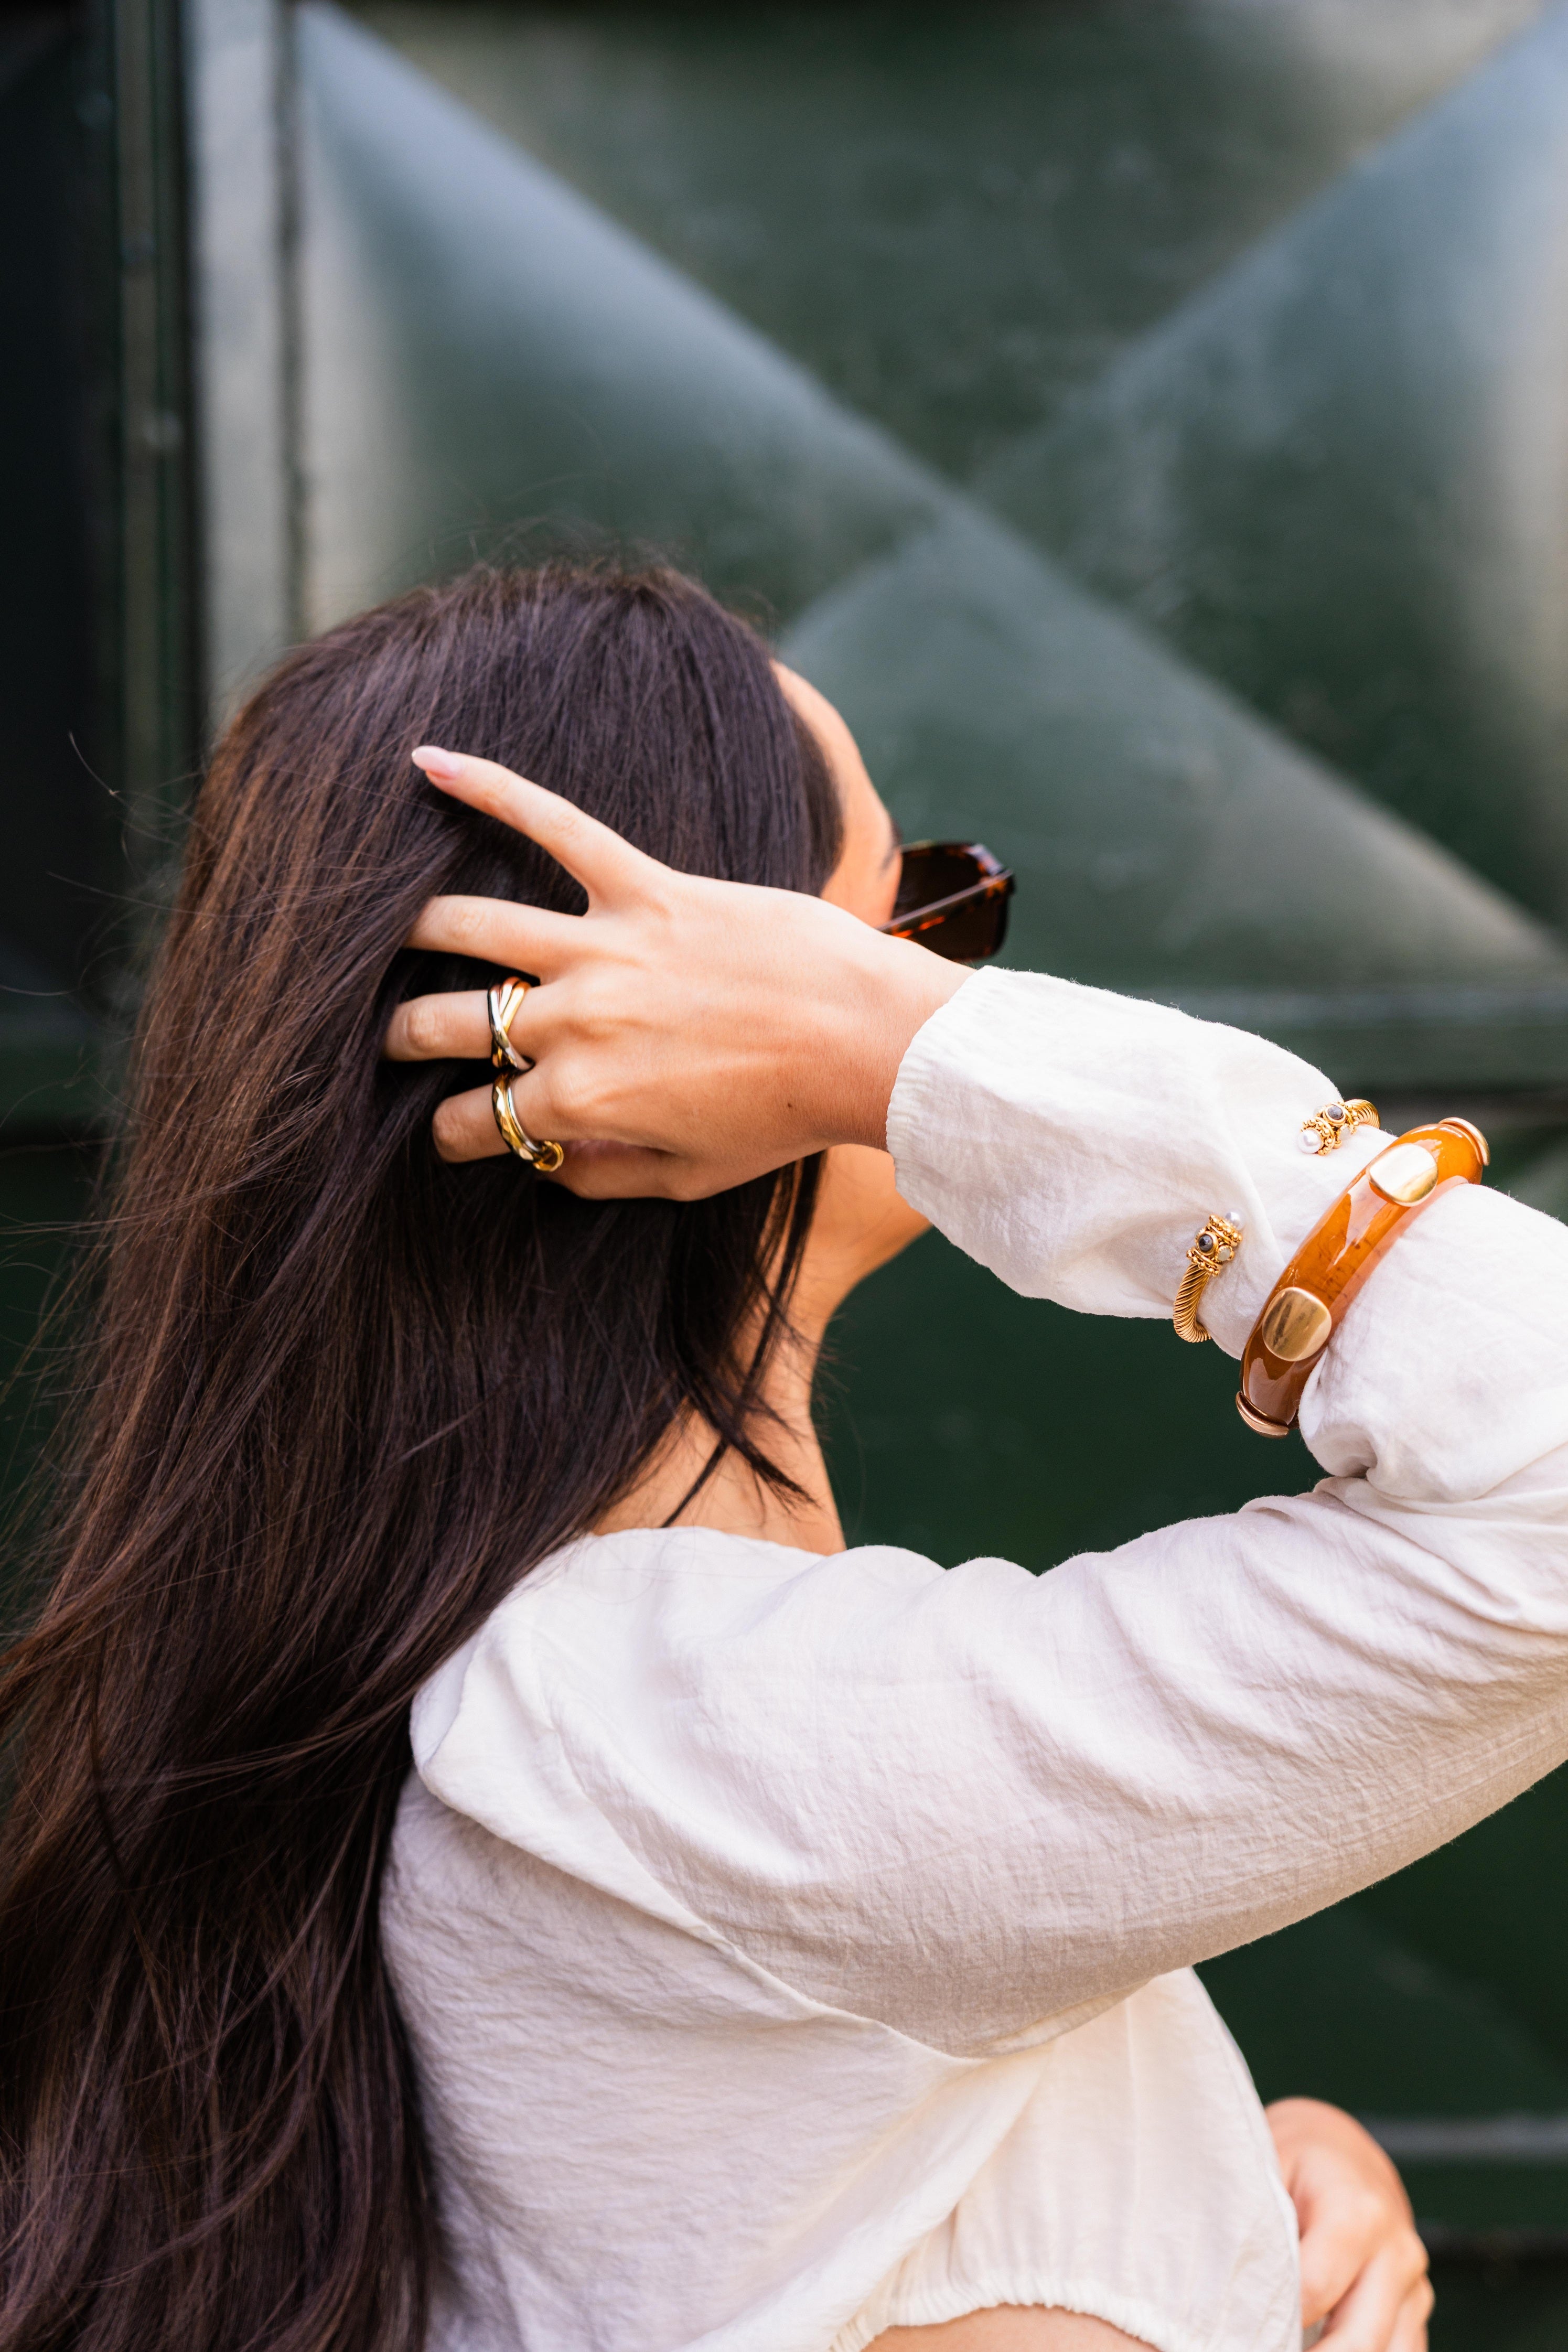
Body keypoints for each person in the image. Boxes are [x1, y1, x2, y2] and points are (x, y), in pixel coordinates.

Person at [18, 563, 1560, 2352]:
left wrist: (1216, 2175)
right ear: (653, 1067)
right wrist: (895, 1047)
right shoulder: (651, 1732)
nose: (948, 987)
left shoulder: (579, 1711)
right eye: (887, 938)